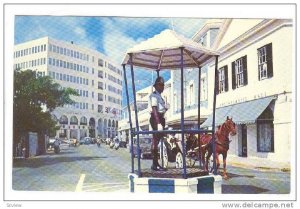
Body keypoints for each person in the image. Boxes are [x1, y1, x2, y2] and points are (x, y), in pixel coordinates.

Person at [148, 76, 168, 171]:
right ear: (156, 86)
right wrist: (158, 123)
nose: (162, 87)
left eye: (163, 85)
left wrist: (166, 108)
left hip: (161, 118)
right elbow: (154, 109)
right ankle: (154, 164)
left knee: (157, 141)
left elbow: (161, 109)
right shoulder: (154, 96)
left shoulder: (160, 96)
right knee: (155, 141)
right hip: (156, 118)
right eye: (160, 85)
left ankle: (156, 163)